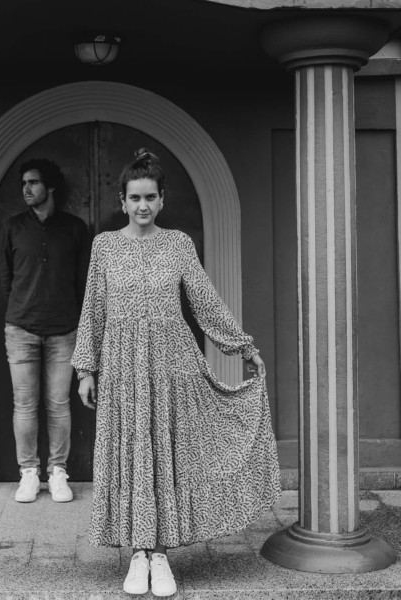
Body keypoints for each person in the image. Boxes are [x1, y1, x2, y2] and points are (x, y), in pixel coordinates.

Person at [72, 149, 281, 597]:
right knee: (131, 457)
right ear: (122, 200)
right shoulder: (104, 246)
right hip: (123, 368)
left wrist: (241, 346)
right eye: (134, 198)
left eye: (150, 197)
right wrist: (86, 368)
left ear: (162, 200)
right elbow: (93, 308)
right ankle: (136, 553)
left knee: (167, 456)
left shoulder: (179, 244)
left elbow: (204, 301)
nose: (142, 205)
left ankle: (161, 554)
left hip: (173, 365)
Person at [0, 158, 91, 503]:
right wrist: (22, 308)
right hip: (20, 329)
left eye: (33, 182)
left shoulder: (74, 228)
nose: (26, 189)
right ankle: (28, 473)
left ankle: (57, 472)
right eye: (24, 183)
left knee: (57, 403)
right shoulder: (12, 228)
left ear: (49, 187)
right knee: (23, 405)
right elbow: (6, 278)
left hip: (64, 330)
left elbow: (84, 281)